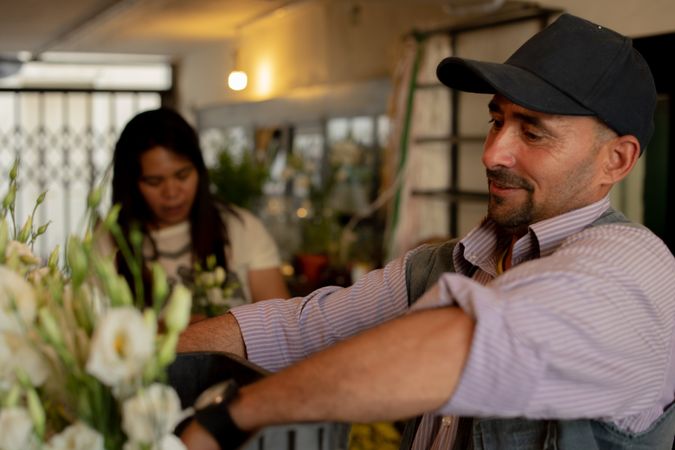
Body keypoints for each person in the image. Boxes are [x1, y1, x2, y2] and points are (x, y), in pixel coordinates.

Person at [177, 14, 675, 450]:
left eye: (532, 132)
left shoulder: (634, 272)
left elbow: (464, 343)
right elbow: (299, 329)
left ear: (617, 160)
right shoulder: (446, 264)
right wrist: (137, 359)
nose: (493, 153)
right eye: (496, 120)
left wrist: (226, 420)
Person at [96, 108, 289, 308]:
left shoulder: (242, 228)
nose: (171, 192)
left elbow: (280, 326)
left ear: (200, 171)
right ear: (131, 184)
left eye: (182, 175)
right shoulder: (109, 243)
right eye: (154, 181)